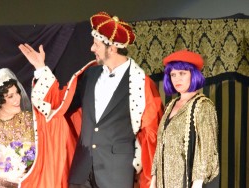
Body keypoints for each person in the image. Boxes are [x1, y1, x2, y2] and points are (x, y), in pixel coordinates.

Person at [18, 11, 163, 188]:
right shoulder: (89, 74)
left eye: (96, 45)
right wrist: (41, 68)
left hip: (117, 173)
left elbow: (151, 133)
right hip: (82, 170)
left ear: (112, 48)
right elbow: (61, 103)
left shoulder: (141, 83)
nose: (92, 49)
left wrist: (149, 176)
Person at [150, 50, 219, 188]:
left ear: (193, 75)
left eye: (182, 73)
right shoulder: (170, 106)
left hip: (187, 182)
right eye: (173, 75)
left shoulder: (203, 106)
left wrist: (197, 184)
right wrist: (154, 181)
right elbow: (160, 147)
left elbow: (207, 150)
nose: (177, 79)